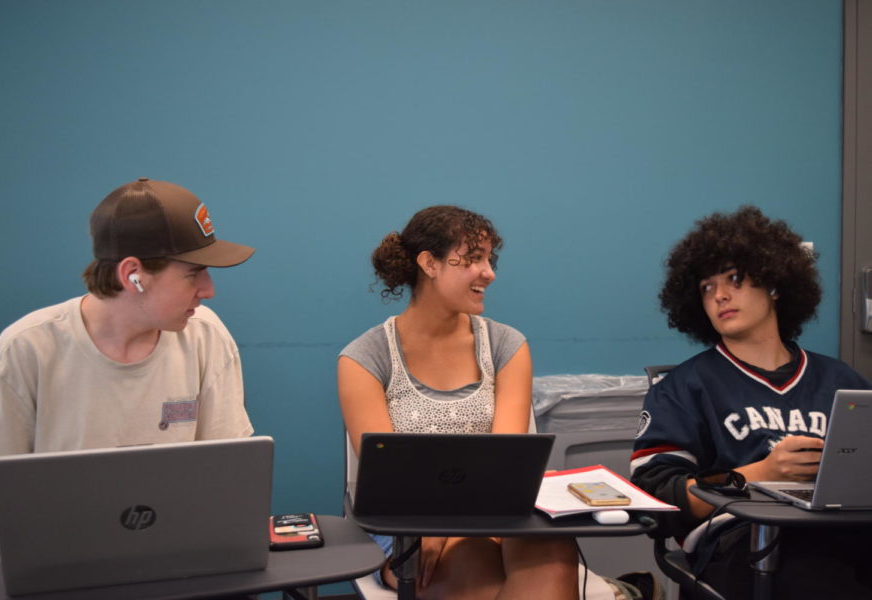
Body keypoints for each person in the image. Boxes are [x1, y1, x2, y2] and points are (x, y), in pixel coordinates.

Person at [0, 178, 256, 545]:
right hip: (63, 571)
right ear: (132, 275)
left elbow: (228, 478)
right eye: (193, 273)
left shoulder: (206, 336)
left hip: (179, 560)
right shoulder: (26, 348)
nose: (209, 290)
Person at [338, 205, 580, 600]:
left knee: (554, 550)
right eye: (473, 259)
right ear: (429, 263)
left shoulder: (507, 346)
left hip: (495, 516)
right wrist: (433, 529)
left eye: (489, 259)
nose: (489, 272)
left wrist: (458, 524)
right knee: (476, 563)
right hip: (406, 528)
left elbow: (507, 466)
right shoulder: (364, 358)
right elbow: (389, 480)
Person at [630, 206, 872, 598]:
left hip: (848, 533)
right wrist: (760, 472)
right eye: (707, 287)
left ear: (774, 284)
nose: (720, 295)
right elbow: (654, 502)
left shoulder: (840, 381)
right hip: (745, 546)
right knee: (815, 579)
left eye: (735, 279)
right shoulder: (683, 387)